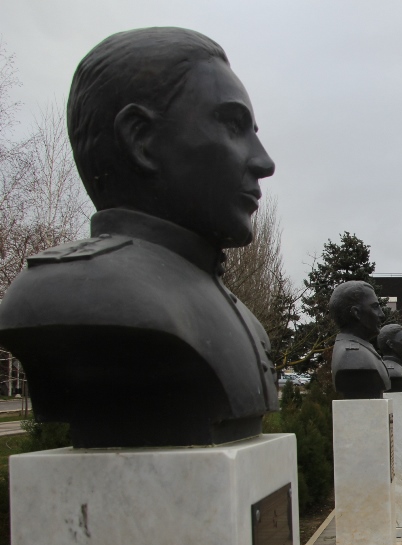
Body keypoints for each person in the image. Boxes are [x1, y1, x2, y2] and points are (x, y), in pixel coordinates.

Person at [0, 28, 278, 448]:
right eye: (234, 126)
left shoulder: (237, 314)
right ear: (141, 139)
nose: (264, 161)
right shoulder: (70, 293)